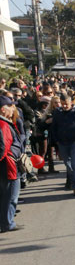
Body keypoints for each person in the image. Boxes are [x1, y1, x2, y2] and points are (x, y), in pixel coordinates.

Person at [50, 93, 75, 196]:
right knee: (68, 165)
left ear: (71, 102)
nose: (64, 106)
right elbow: (54, 127)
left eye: (66, 104)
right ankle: (73, 180)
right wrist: (57, 140)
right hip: (62, 143)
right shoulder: (58, 112)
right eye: (62, 104)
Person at [0, 95, 21, 232]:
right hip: (8, 167)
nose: (13, 109)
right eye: (10, 106)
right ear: (2, 109)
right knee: (11, 196)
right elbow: (3, 147)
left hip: (7, 165)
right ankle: (7, 223)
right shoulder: (3, 124)